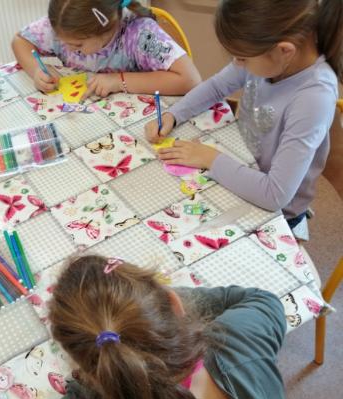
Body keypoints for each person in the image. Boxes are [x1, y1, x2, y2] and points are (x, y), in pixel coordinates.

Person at [29, 255, 289, 399]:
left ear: (90, 371)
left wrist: (87, 386)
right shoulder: (242, 337)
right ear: (176, 303)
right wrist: (154, 306)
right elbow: (263, 300)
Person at [146, 0, 342, 232]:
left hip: (277, 212)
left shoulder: (314, 98)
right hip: (240, 163)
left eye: (242, 58)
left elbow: (275, 194)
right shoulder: (271, 56)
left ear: (284, 51)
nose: (237, 63)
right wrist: (174, 114)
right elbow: (217, 86)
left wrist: (210, 159)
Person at [12, 0, 201, 98]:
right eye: (61, 40)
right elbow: (19, 41)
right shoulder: (63, 25)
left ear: (106, 27)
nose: (65, 47)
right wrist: (36, 70)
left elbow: (190, 80)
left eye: (77, 45)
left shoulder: (139, 33)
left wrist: (118, 81)